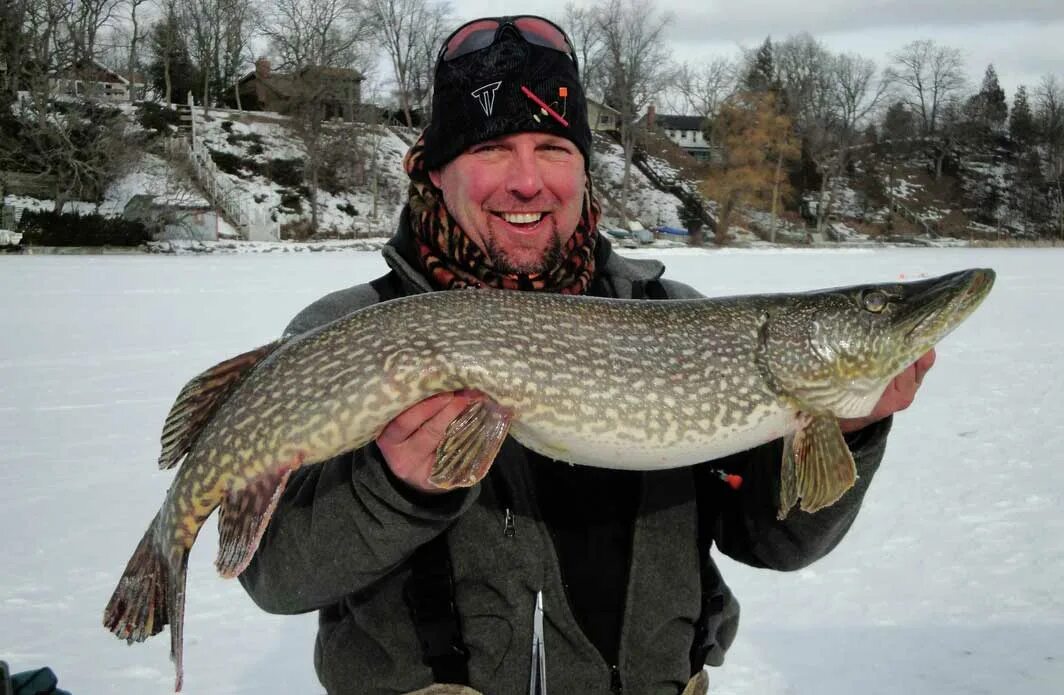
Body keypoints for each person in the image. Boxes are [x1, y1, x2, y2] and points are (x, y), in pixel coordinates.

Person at [239, 15, 934, 695]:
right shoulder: (351, 329)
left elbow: (777, 540)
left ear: (584, 170)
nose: (527, 181)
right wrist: (393, 487)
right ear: (434, 171)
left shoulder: (674, 318)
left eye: (553, 149)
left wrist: (849, 427)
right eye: (490, 150)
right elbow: (272, 572)